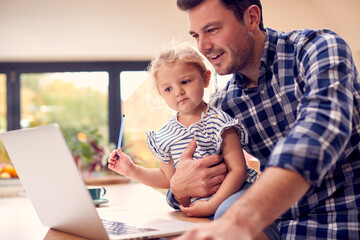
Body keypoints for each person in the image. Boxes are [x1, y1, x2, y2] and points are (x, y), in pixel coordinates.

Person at [168, 0, 360, 239]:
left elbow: (318, 134)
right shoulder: (224, 105)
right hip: (276, 226)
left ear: (251, 18)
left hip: (341, 221)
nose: (203, 46)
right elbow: (204, 177)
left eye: (212, 30)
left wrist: (242, 218)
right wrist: (178, 190)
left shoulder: (317, 49)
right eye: (196, 35)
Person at [107, 43, 262, 220]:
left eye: (185, 81)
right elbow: (169, 180)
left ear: (206, 78)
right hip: (196, 206)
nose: (178, 92)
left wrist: (212, 205)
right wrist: (132, 170)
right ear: (161, 94)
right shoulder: (165, 134)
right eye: (168, 88)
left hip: (232, 196)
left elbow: (238, 170)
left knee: (226, 215)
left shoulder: (221, 123)